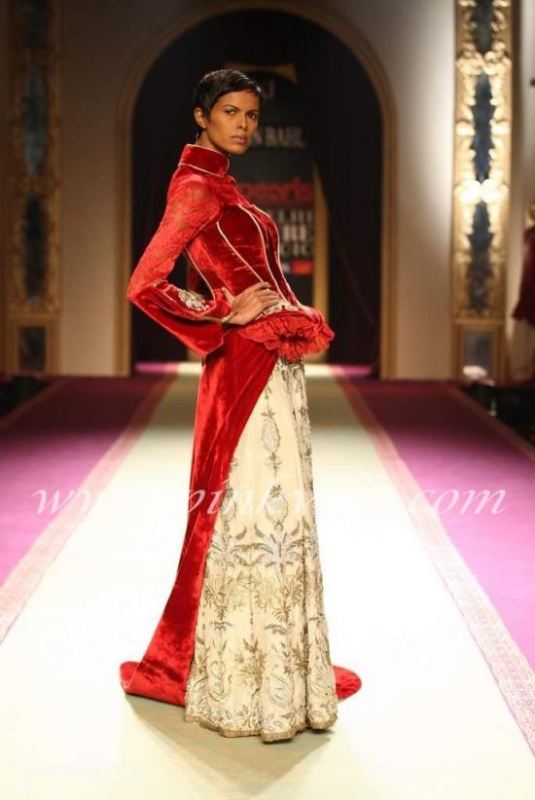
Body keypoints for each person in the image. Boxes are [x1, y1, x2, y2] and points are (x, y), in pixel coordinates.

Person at [120, 69, 361, 743]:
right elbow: (145, 283)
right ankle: (241, 676)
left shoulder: (224, 185)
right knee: (250, 512)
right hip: (244, 367)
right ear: (201, 116)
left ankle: (276, 667)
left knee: (275, 512)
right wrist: (218, 314)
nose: (244, 124)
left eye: (252, 115)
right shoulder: (196, 187)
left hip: (271, 362)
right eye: (230, 112)